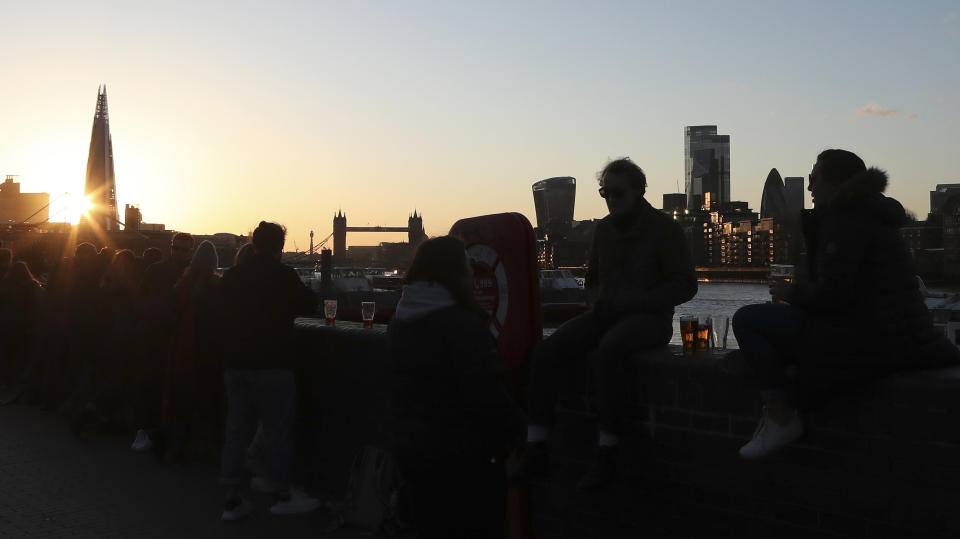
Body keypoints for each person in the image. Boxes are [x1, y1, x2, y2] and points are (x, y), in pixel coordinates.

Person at [733, 149, 960, 459]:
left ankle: (780, 415)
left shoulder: (846, 223)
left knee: (747, 320)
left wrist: (791, 292)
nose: (810, 187)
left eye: (814, 178)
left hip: (865, 339)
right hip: (897, 336)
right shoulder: (869, 215)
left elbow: (835, 296)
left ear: (836, 185)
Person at [511, 158, 698, 490]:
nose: (611, 199)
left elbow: (685, 284)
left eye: (618, 192)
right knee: (547, 350)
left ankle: (607, 453)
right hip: (606, 314)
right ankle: (537, 446)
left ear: (639, 192)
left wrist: (638, 300)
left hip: (650, 320)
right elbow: (593, 278)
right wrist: (595, 299)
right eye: (605, 192)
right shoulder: (604, 230)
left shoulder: (664, 229)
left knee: (609, 352)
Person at [389, 236, 525, 539]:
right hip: (465, 463)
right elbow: (487, 399)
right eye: (466, 267)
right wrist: (518, 432)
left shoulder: (400, 322)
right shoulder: (463, 327)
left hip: (413, 455)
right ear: (454, 273)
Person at [218, 221, 319, 520]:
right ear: (281, 247)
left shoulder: (232, 276)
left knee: (236, 431)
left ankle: (232, 500)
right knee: (276, 431)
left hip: (235, 365)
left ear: (253, 242)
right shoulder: (284, 275)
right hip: (274, 364)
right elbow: (310, 305)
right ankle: (281, 494)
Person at [161, 241, 224, 462]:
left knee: (180, 402)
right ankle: (200, 449)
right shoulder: (217, 288)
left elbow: (169, 318)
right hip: (207, 354)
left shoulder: (181, 286)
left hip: (181, 350)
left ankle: (175, 448)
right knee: (203, 402)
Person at [132, 233, 195, 452]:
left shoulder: (165, 271)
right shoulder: (160, 271)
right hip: (158, 336)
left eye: (182, 249)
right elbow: (140, 299)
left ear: (190, 251)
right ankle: (151, 430)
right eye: (175, 248)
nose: (178, 253)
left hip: (172, 337)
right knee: (153, 384)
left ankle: (154, 431)